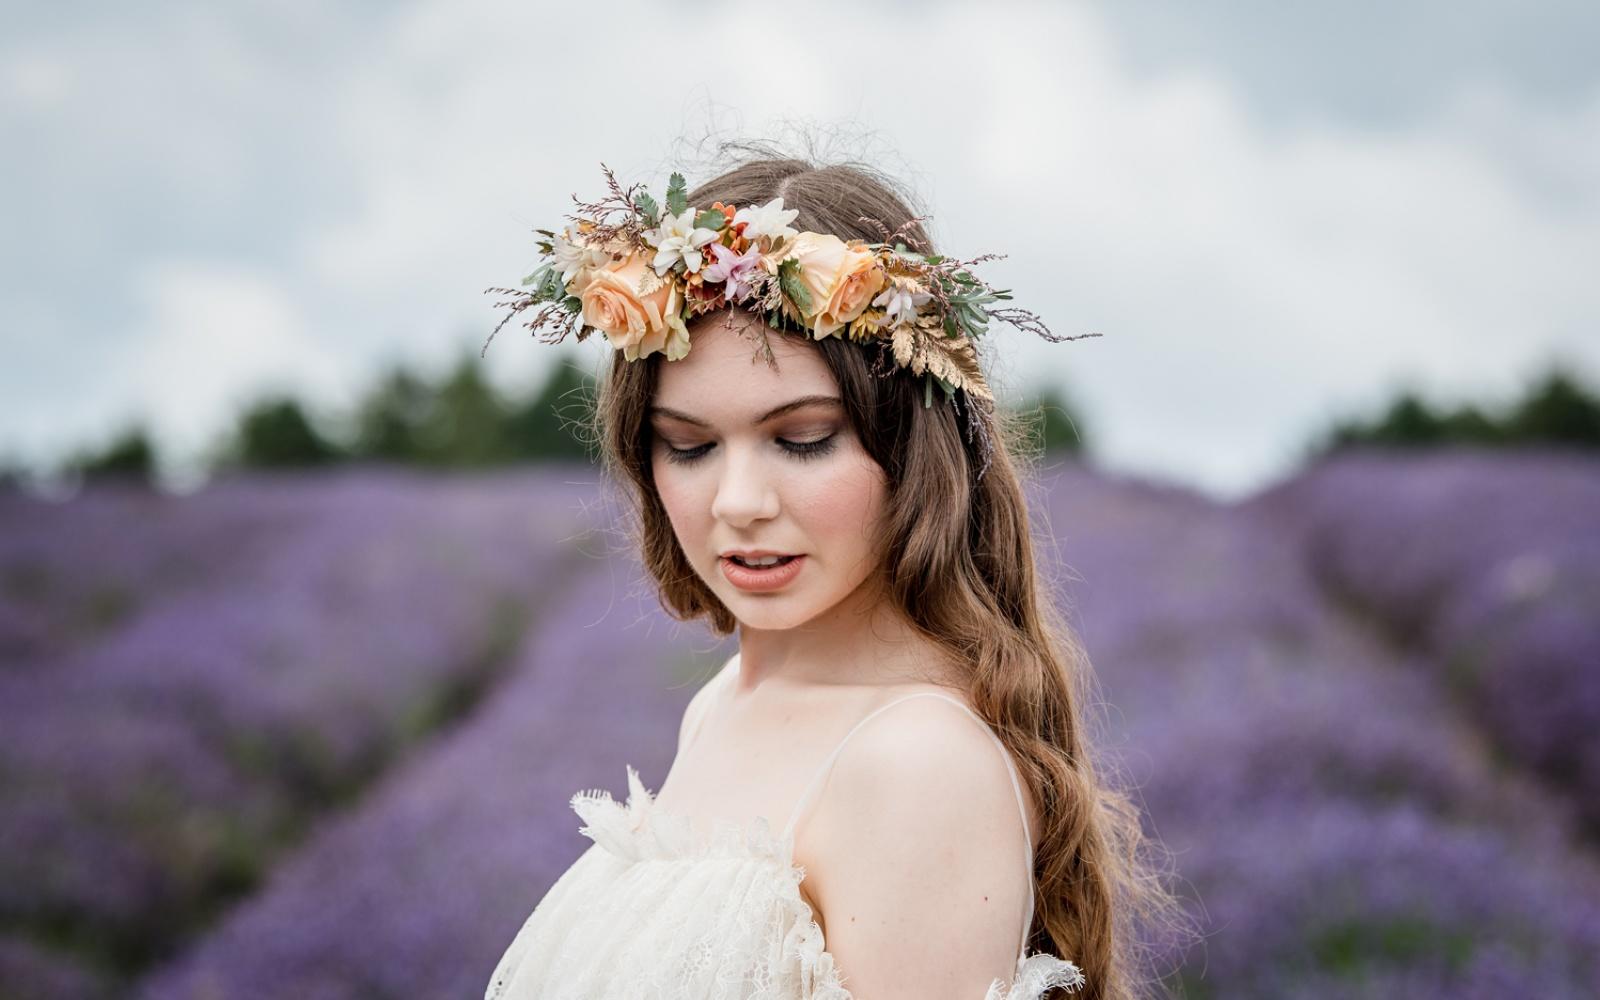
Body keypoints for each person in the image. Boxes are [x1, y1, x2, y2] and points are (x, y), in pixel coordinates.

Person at [482, 151, 1186, 1000]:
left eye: (804, 437)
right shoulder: (720, 706)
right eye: (690, 445)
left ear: (912, 451)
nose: (738, 501)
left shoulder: (916, 766)